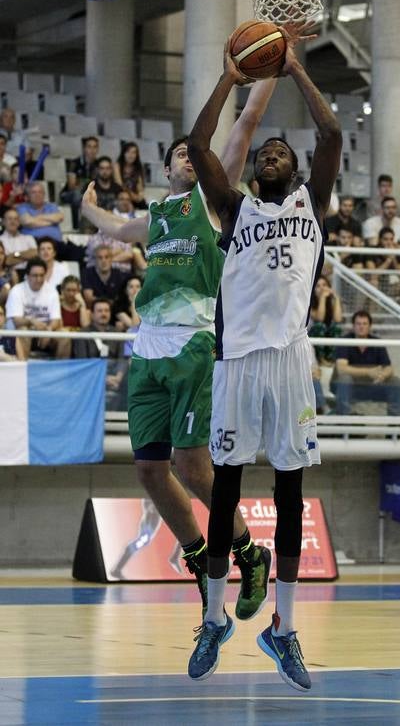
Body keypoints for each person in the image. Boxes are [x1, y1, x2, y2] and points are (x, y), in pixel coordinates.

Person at [80, 74, 278, 622]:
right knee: (148, 470)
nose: (190, 159)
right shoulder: (159, 217)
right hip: (147, 350)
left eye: (195, 154)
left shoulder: (210, 204)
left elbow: (244, 127)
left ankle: (247, 552)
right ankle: (196, 556)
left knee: (192, 468)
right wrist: (88, 208)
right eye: (180, 156)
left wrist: (268, 69)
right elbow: (119, 230)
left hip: (193, 343)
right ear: (166, 170)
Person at [185, 25, 340, 693]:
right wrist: (232, 77)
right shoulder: (234, 208)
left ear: (297, 172)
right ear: (252, 172)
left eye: (282, 151)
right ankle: (216, 616)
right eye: (265, 152)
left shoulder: (313, 201)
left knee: (289, 489)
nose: (273, 153)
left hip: (291, 361)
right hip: (238, 361)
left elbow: (330, 134)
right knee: (224, 489)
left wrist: (297, 67)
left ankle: (283, 626)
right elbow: (196, 147)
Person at [330, 309, 400, 417]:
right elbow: (342, 369)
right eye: (358, 324)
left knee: (395, 381)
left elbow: (389, 368)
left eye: (364, 324)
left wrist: (383, 375)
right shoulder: (344, 341)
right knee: (345, 379)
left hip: (372, 386)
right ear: (353, 326)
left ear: (370, 326)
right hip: (349, 386)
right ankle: (343, 422)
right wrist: (368, 372)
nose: (361, 326)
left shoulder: (377, 342)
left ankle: (394, 425)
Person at [5, 257, 62, 360]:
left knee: (64, 337)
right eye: (35, 276)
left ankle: (62, 372)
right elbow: (16, 321)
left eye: (41, 275)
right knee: (23, 331)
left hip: (45, 331)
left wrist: (49, 330)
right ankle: (23, 371)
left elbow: (56, 320)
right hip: (23, 331)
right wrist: (32, 321)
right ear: (27, 276)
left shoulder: (52, 291)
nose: (39, 279)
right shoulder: (17, 291)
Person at [371, 227, 400, 313]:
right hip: (374, 286)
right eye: (385, 239)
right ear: (380, 240)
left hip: (389, 288)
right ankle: (373, 317)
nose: (389, 242)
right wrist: (388, 260)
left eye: (391, 239)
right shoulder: (372, 251)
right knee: (373, 283)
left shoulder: (396, 252)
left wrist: (393, 258)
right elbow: (372, 276)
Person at [60, 135, 100, 229]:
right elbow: (71, 186)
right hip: (69, 194)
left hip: (88, 193)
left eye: (95, 147)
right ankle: (76, 226)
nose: (92, 150)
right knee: (77, 195)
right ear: (84, 148)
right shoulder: (74, 163)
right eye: (89, 146)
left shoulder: (99, 164)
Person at [308, 275, 343, 365]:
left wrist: (337, 298)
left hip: (326, 336)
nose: (322, 288)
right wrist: (323, 298)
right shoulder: (309, 303)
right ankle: (321, 359)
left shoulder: (331, 302)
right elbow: (319, 318)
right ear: (313, 289)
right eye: (318, 286)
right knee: (320, 326)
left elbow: (338, 319)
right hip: (312, 336)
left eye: (324, 285)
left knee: (336, 328)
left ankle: (331, 358)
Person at [114, 142, 147, 209]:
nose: (131, 155)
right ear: (123, 153)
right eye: (128, 152)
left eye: (134, 152)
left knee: (144, 205)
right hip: (121, 195)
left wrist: (139, 197)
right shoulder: (117, 166)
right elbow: (119, 184)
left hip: (134, 197)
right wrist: (132, 196)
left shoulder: (138, 168)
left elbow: (140, 188)